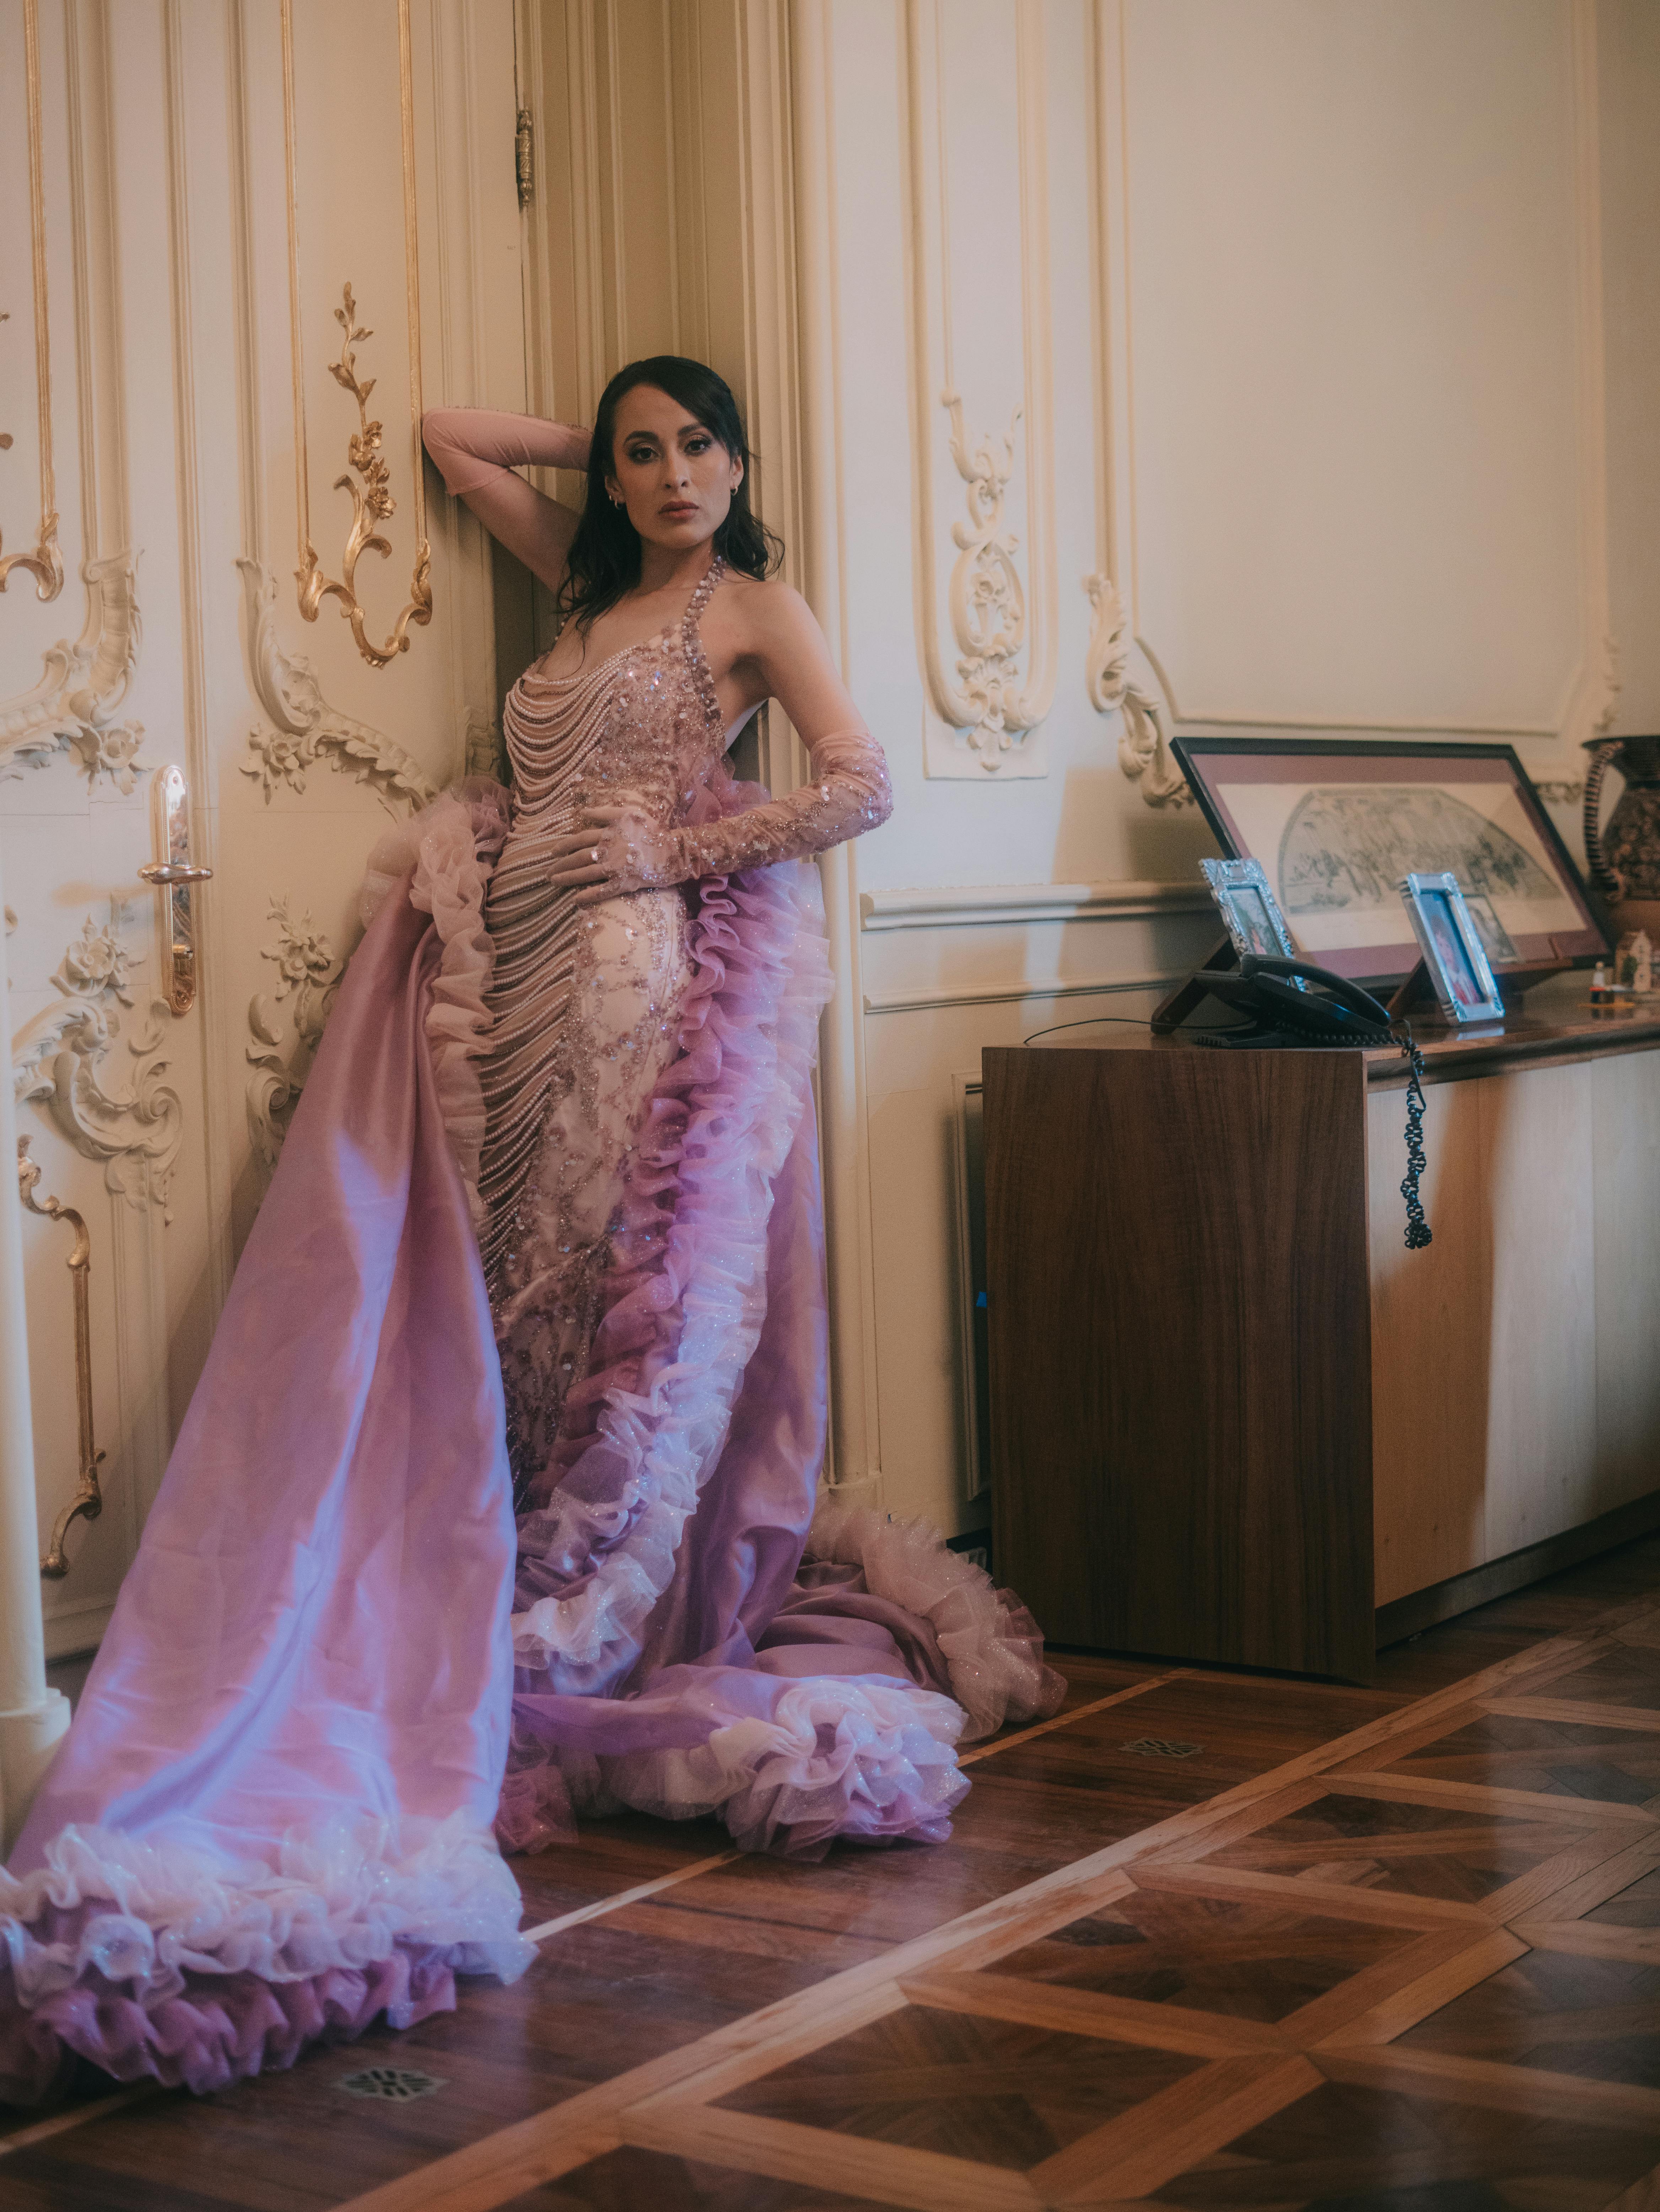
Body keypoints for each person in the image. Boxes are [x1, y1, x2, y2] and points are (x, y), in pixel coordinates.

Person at [0, 357, 1061, 2104]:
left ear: (738, 457)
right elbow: (445, 436)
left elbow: (862, 780)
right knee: (496, 1291)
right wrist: (595, 458)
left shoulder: (749, 604)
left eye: (694, 445)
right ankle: (488, 1571)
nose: (666, 474)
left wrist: (688, 844)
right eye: (644, 450)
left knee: (593, 1287)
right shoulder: (581, 584)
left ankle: (586, 1608)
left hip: (637, 972)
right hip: (502, 977)